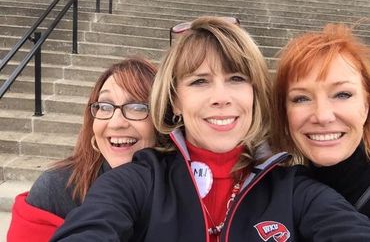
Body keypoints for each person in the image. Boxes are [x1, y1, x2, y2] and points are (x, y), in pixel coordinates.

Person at [51, 17, 370, 242]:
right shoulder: (136, 182)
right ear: (175, 100)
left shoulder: (295, 190)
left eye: (236, 79)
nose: (221, 98)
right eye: (199, 81)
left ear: (255, 93)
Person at [7, 57, 158, 242]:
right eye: (104, 106)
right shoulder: (56, 188)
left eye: (137, 107)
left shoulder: (187, 189)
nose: (116, 122)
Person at [272, 23, 370, 217]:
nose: (323, 116)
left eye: (342, 94)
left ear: (366, 105)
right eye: (301, 98)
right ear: (284, 112)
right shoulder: (272, 191)